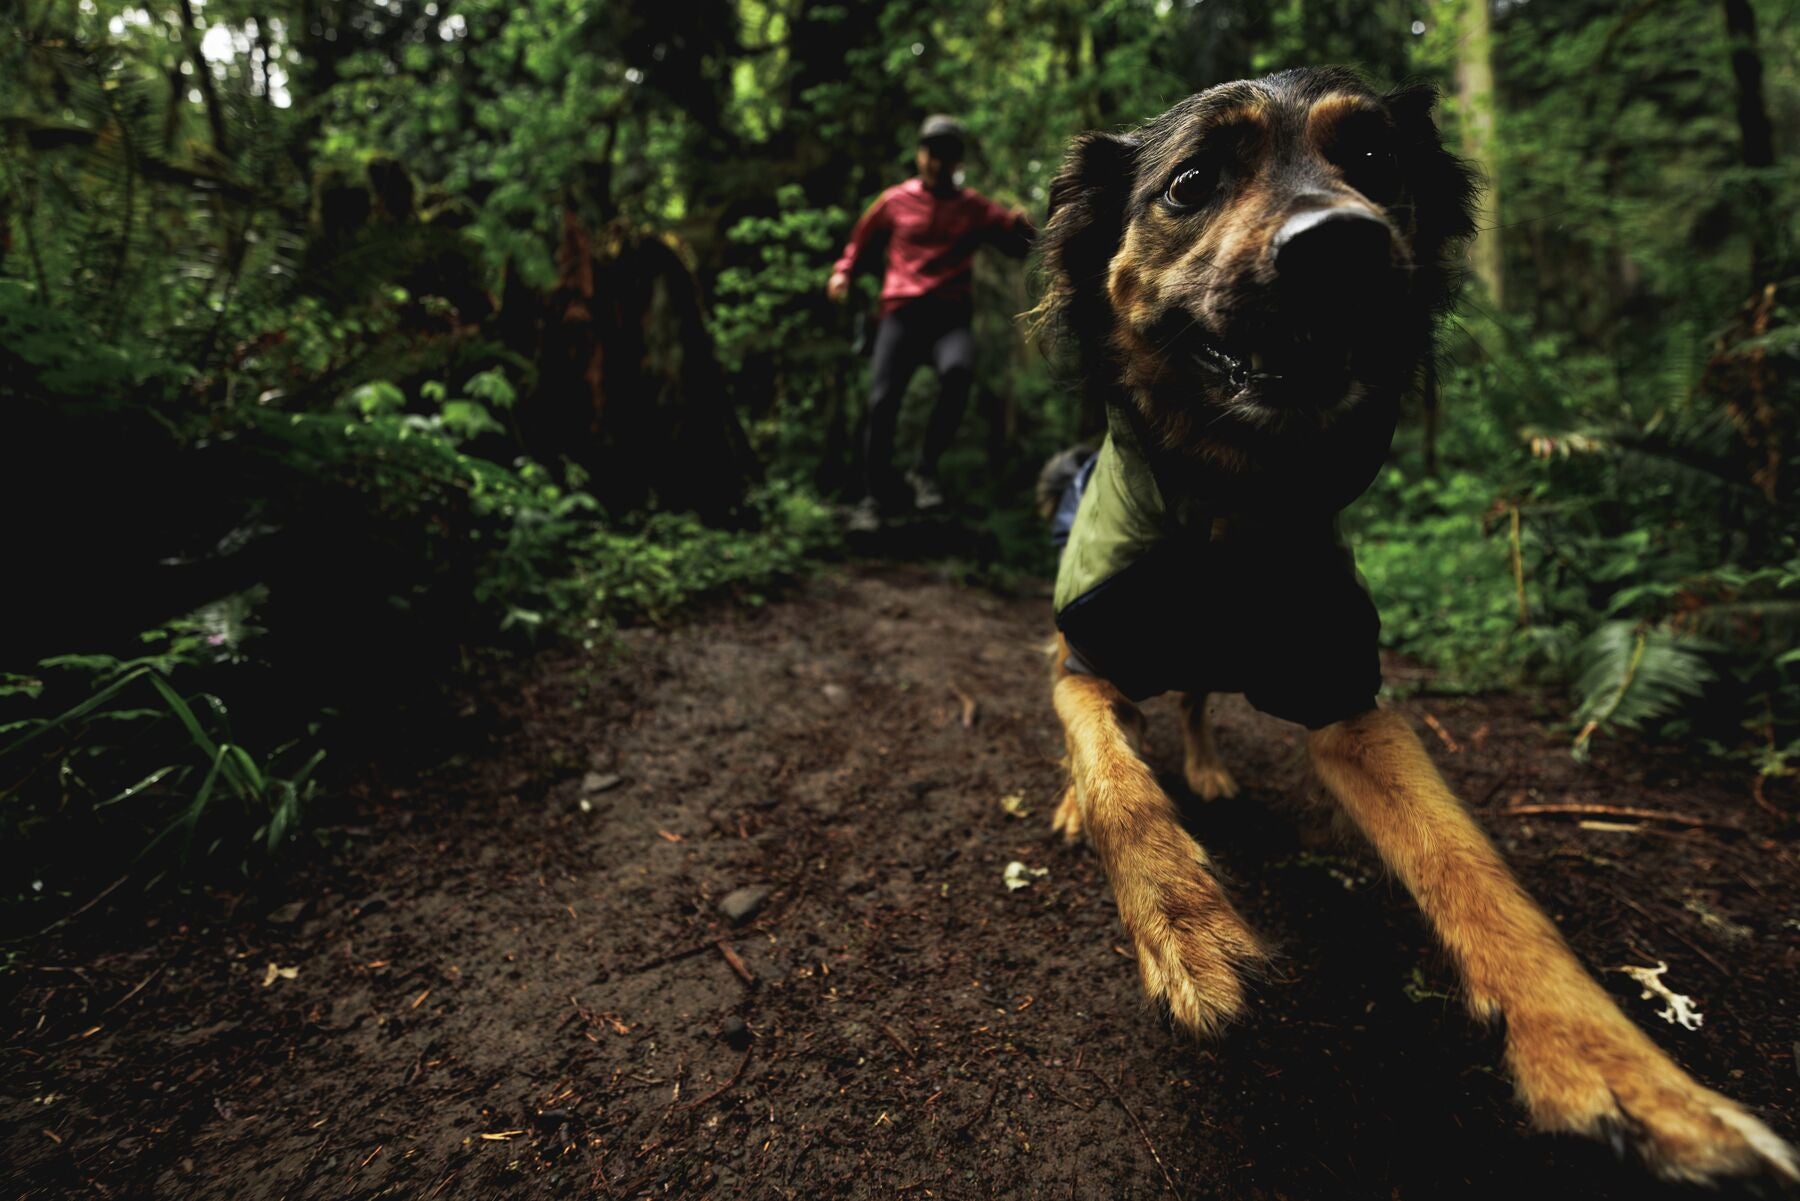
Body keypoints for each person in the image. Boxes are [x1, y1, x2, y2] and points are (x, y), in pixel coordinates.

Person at [828, 114, 1035, 530]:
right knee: (882, 400)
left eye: (946, 156)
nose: (937, 164)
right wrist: (843, 273)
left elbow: (1017, 245)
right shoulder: (894, 201)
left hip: (948, 317)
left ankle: (924, 471)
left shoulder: (973, 207)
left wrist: (1021, 227)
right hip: (900, 312)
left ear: (957, 161)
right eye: (931, 154)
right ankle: (874, 497)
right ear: (920, 155)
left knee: (958, 372)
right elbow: (859, 245)